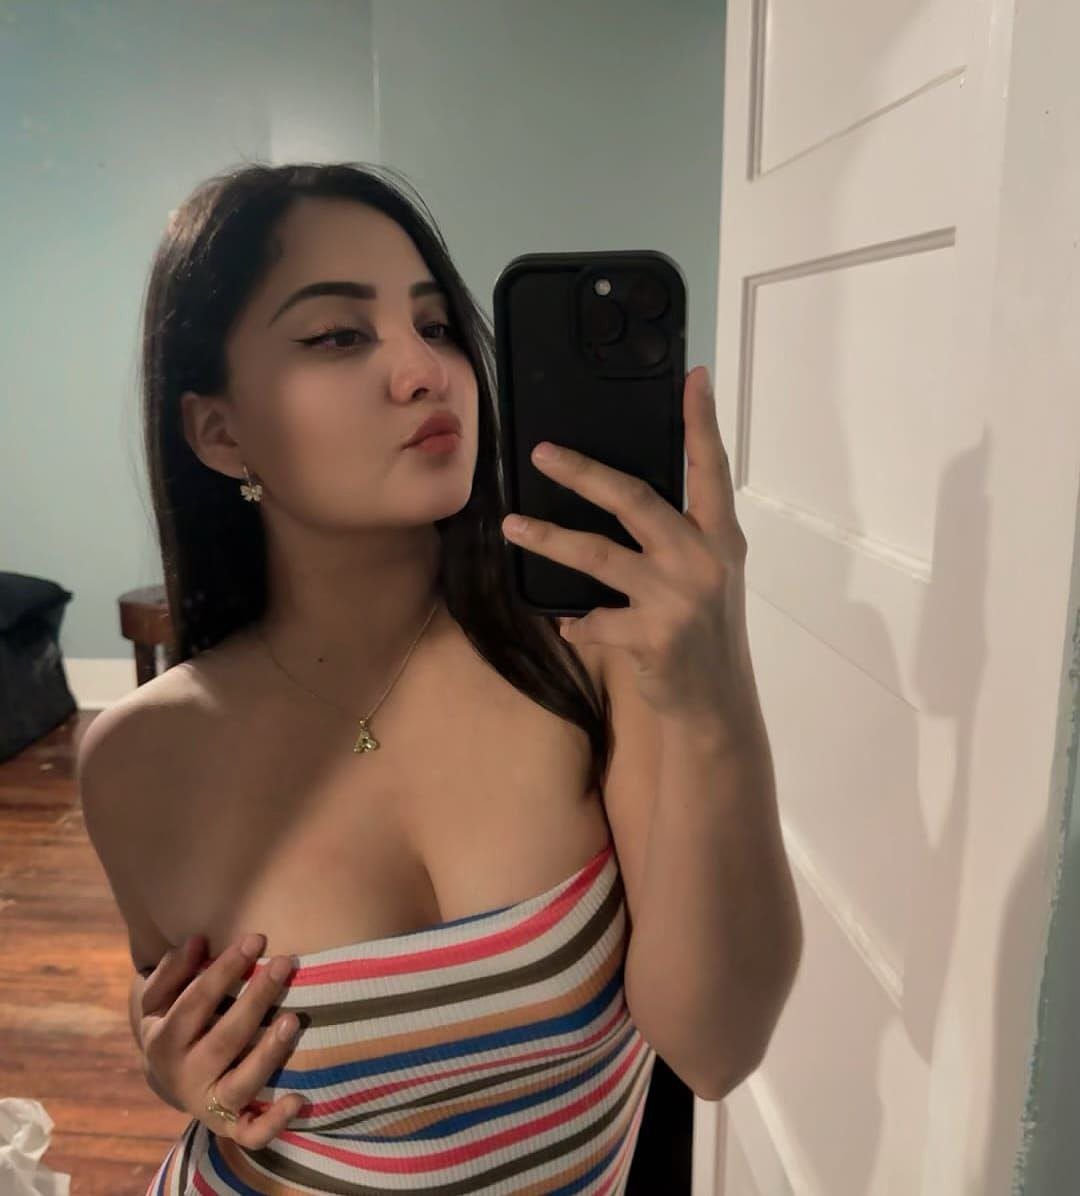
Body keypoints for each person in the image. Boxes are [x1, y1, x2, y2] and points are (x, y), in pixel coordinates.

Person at [77, 162, 662, 1194]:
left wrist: (715, 678)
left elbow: (718, 1037)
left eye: (436, 324)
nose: (425, 370)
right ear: (219, 432)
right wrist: (175, 1065)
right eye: (337, 336)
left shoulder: (590, 652)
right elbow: (169, 988)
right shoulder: (133, 753)